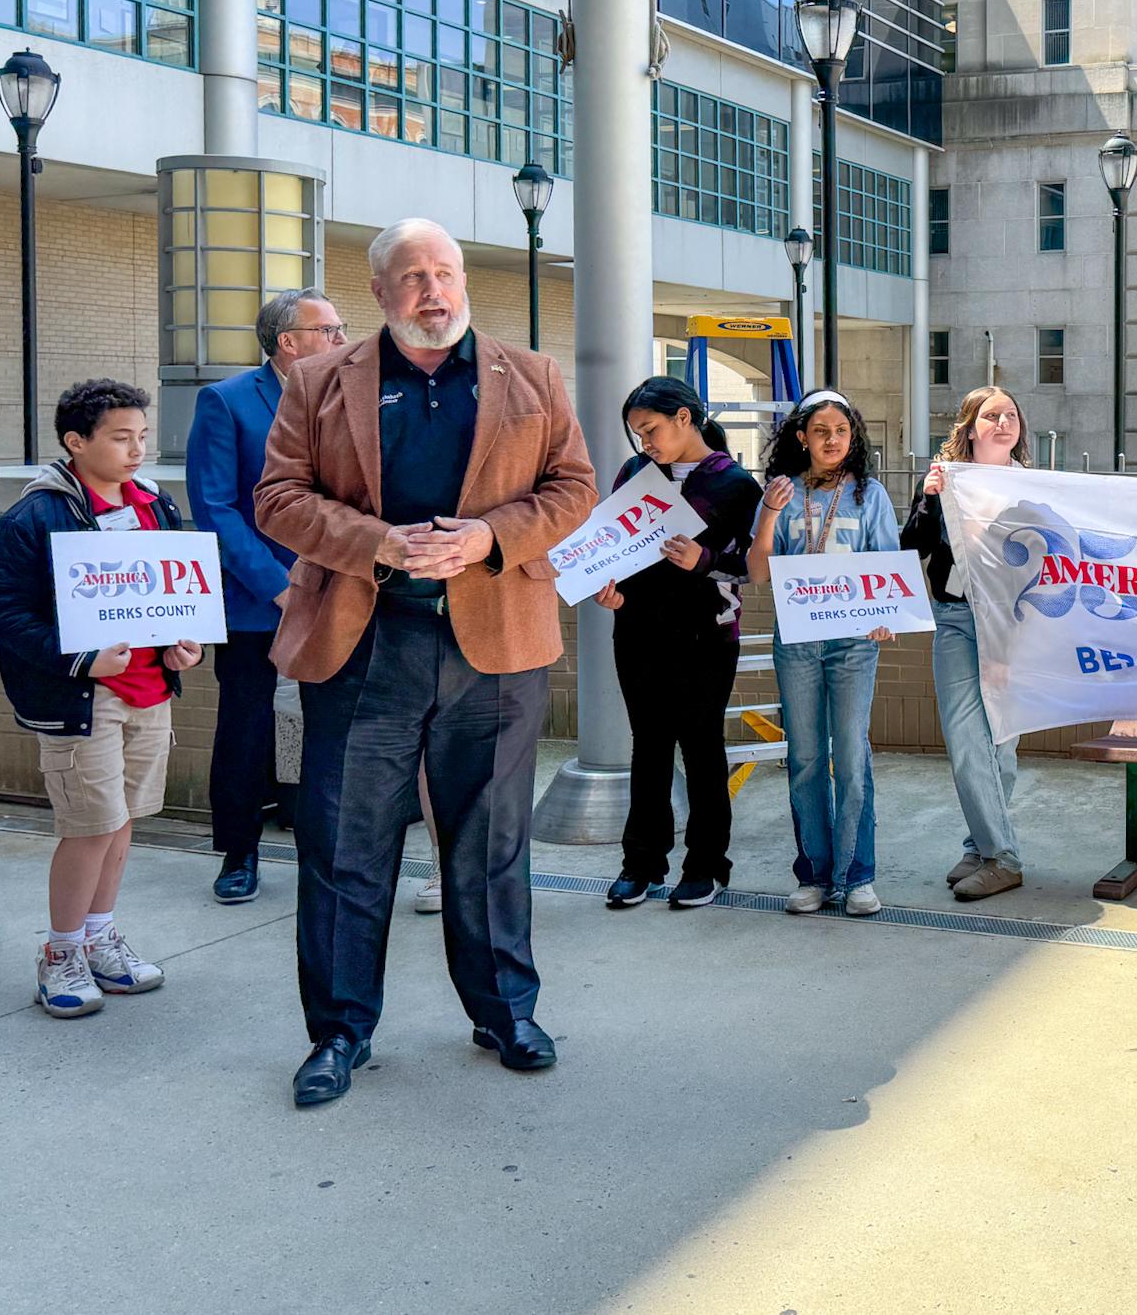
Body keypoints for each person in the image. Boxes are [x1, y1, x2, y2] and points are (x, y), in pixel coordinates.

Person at [255, 217, 596, 1105]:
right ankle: (339, 1031)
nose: (433, 290)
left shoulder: (533, 374)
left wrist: (489, 535)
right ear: (378, 291)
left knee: (491, 841)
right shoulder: (320, 381)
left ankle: (505, 1011)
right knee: (345, 844)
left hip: (496, 642)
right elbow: (278, 498)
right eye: (412, 276)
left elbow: (574, 489)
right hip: (363, 643)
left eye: (445, 272)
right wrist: (378, 542)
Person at [0, 380, 204, 1017]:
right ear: (76, 442)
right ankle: (61, 951)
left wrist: (182, 646)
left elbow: (170, 597)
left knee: (122, 820)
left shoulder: (155, 505)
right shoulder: (36, 515)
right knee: (89, 827)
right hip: (83, 698)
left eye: (142, 437)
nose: (136, 450)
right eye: (120, 437)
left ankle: (100, 938)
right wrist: (78, 658)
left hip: (149, 690)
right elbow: (2, 610)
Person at [185, 289, 346, 905]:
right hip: (257, 600)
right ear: (288, 342)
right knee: (246, 727)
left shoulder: (346, 397)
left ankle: (325, 851)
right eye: (328, 329)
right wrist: (279, 588)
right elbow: (215, 508)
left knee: (332, 725)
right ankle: (239, 853)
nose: (340, 339)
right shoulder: (226, 401)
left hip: (337, 592)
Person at [596, 377, 763, 910]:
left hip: (705, 635)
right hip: (637, 631)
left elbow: (754, 568)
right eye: (638, 434)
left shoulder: (736, 484)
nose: (645, 442)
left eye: (651, 429)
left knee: (702, 747)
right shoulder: (635, 474)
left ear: (684, 418)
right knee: (648, 747)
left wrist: (703, 560)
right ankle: (641, 865)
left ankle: (707, 866)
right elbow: (612, 547)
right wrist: (609, 590)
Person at [746, 388, 898, 917]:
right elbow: (757, 572)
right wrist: (769, 513)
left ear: (852, 436)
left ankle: (856, 875)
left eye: (841, 431)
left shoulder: (869, 495)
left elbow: (887, 567)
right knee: (806, 757)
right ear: (801, 437)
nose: (832, 440)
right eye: (820, 431)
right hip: (797, 640)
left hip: (854, 642)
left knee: (851, 755)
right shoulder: (781, 492)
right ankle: (813, 873)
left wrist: (886, 615)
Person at [902, 386, 1032, 902]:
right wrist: (929, 499)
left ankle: (984, 849)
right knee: (966, 742)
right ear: (970, 427)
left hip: (1011, 622)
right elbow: (911, 546)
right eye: (992, 415)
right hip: (956, 618)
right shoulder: (945, 480)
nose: (1004, 423)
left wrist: (1010, 642)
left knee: (1001, 746)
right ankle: (1000, 856)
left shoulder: (1030, 487)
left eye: (1011, 415)